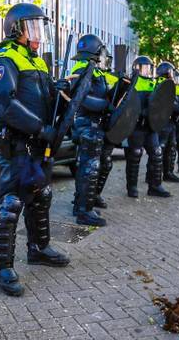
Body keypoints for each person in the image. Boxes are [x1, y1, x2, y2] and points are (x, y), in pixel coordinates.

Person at [0, 2, 70, 297]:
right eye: (32, 26)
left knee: (41, 195)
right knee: (10, 205)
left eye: (40, 26)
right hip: (16, 144)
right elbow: (7, 104)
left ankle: (38, 247)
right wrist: (39, 128)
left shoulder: (38, 61)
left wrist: (57, 88)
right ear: (16, 29)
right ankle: (2, 268)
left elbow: (44, 97)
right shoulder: (3, 58)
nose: (38, 33)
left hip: (38, 146)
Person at [69, 34, 117, 227]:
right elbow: (83, 99)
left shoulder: (94, 71)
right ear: (95, 52)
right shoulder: (82, 69)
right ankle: (83, 211)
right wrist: (107, 105)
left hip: (95, 125)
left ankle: (86, 201)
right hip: (86, 124)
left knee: (97, 165)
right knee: (89, 168)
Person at [124, 56, 170, 198]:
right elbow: (127, 104)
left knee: (157, 153)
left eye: (149, 68)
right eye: (144, 67)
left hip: (151, 126)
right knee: (135, 155)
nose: (147, 70)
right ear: (137, 68)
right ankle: (132, 187)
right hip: (136, 126)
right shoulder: (132, 83)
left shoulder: (154, 83)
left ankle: (155, 186)